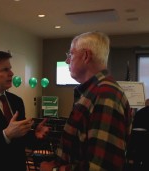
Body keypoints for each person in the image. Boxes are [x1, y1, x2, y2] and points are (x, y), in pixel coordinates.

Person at [40, 31, 132, 171]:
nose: (67, 61)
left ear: (86, 56)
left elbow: (101, 167)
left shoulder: (105, 95)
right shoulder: (94, 92)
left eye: (71, 54)